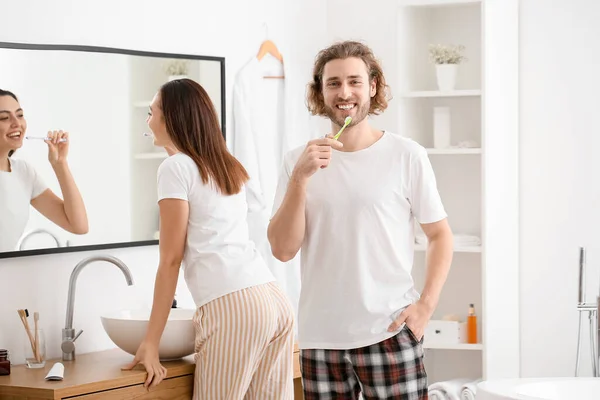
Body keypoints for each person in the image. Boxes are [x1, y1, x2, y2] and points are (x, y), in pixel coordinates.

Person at [268, 41, 454, 399]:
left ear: (372, 86)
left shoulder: (406, 154)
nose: (344, 92)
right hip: (320, 340)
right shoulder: (298, 161)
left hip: (390, 332)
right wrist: (300, 178)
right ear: (320, 93)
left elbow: (440, 235)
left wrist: (425, 307)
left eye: (354, 81)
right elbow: (282, 249)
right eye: (333, 83)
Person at [123, 78, 295, 399]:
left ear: (171, 117)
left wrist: (151, 342)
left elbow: (170, 259)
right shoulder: (226, 165)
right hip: (272, 297)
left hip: (234, 306)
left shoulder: (175, 167)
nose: (147, 121)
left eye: (151, 112)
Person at [0, 89, 88, 252]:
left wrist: (60, 164)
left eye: (19, 115)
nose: (16, 123)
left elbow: (78, 225)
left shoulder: (23, 172)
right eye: (4, 118)